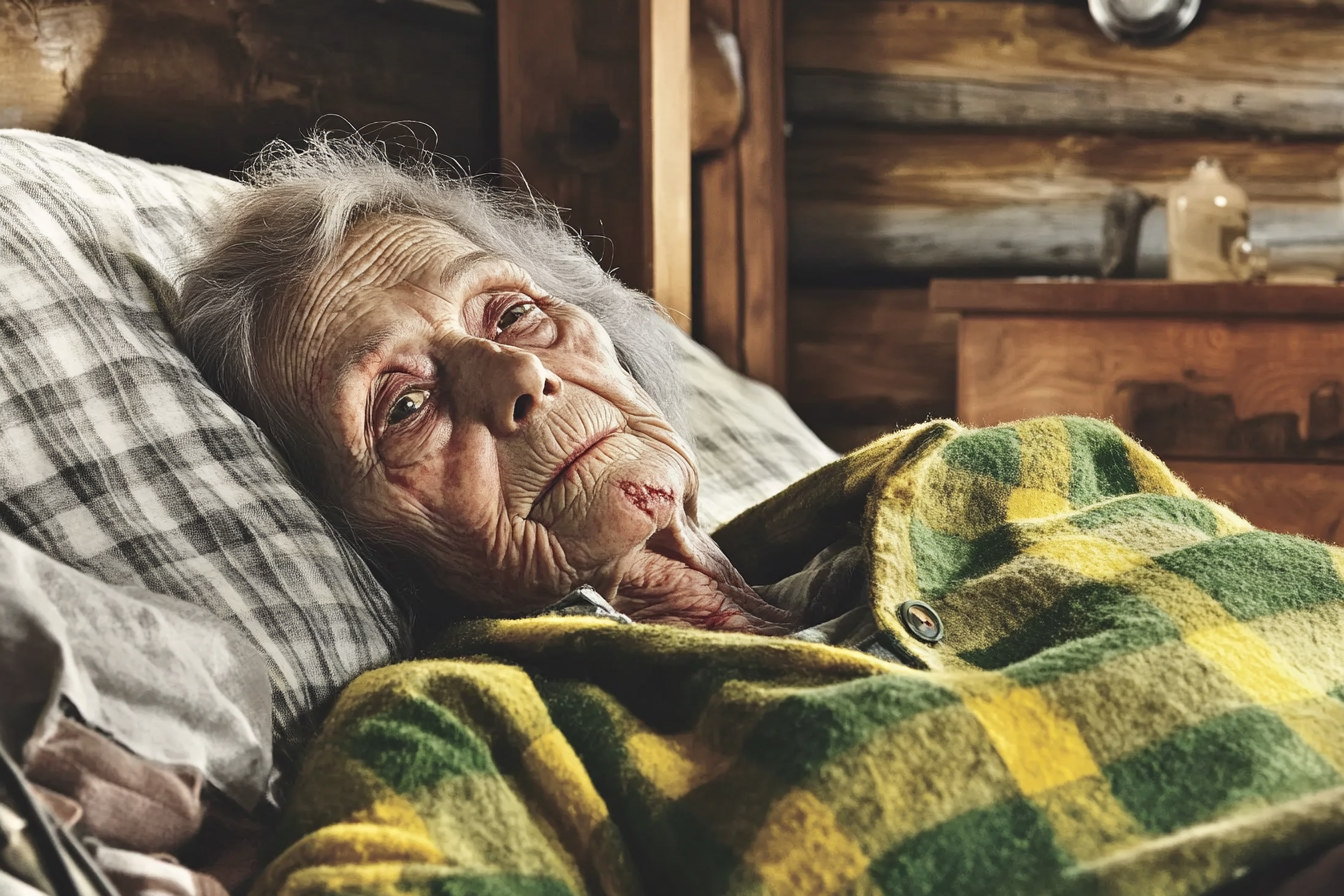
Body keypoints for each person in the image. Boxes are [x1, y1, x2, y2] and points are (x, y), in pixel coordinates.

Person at [177, 134, 791, 636]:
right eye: (406, 405)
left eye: (514, 315)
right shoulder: (453, 733)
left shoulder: (851, 527)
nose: (521, 373)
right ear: (353, 539)